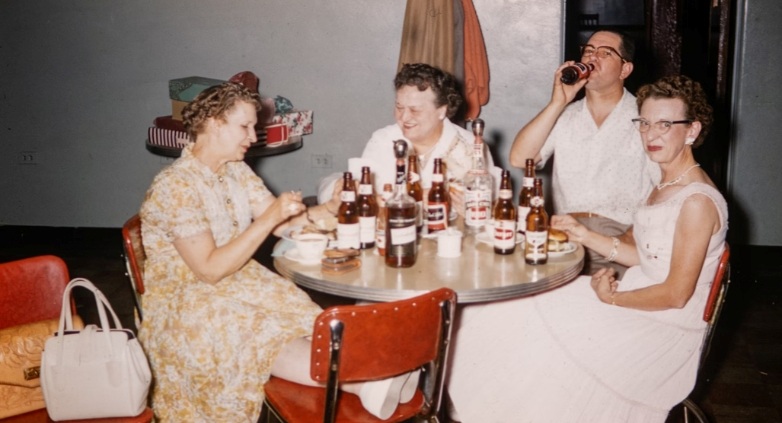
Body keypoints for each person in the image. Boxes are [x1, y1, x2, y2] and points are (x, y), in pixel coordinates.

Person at [447, 75, 727, 422]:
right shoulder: (666, 182)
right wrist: (583, 235)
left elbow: (676, 294)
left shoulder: (696, 201)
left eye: (665, 125)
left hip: (663, 328)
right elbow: (646, 257)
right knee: (504, 304)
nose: (651, 135)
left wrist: (613, 298)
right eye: (644, 123)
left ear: (692, 130)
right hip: (641, 297)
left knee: (523, 326)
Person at [138, 82, 415, 422]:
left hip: (235, 279)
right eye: (245, 126)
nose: (252, 137)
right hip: (188, 298)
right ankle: (363, 382)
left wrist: (331, 207)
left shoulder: (234, 170)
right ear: (213, 123)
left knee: (299, 312)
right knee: (258, 328)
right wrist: (269, 218)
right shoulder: (175, 186)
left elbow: (287, 225)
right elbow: (208, 270)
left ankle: (368, 375)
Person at [509, 29, 658, 275]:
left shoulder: (645, 118)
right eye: (588, 51)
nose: (592, 57)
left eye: (605, 53)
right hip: (567, 237)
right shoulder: (565, 115)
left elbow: (665, 185)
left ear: (625, 70)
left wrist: (634, 233)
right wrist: (558, 102)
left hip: (620, 238)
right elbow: (519, 158)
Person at [318, 63, 496, 214]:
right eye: (399, 107)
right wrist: (341, 189)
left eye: (415, 110)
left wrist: (475, 206)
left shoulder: (471, 146)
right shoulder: (384, 140)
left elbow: (493, 199)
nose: (403, 117)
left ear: (442, 111)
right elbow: (350, 188)